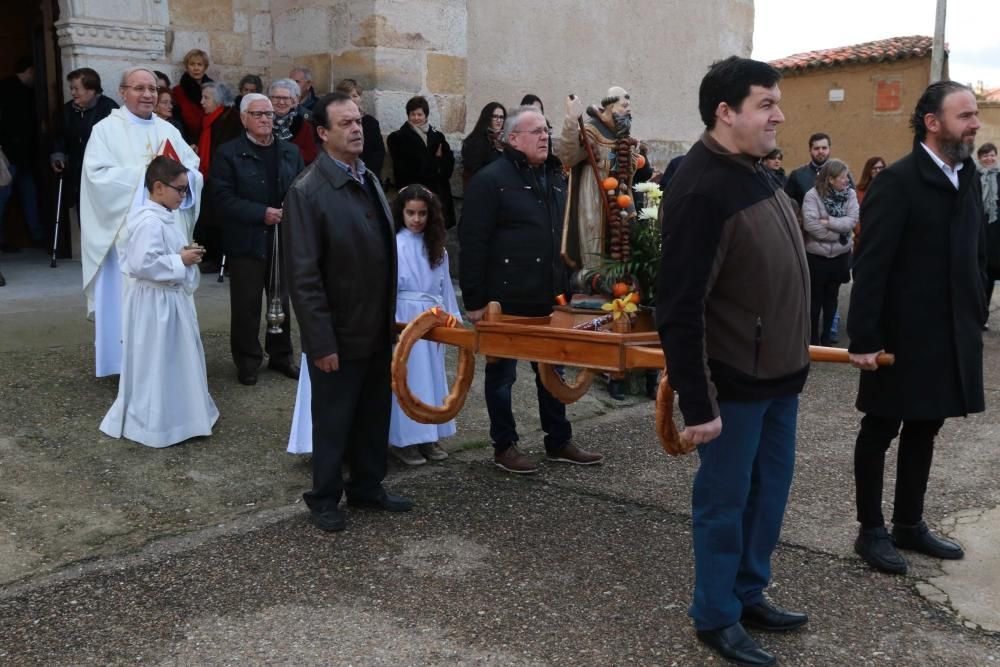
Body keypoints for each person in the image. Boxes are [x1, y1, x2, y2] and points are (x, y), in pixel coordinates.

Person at [657, 56, 810, 667]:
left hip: (780, 379)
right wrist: (700, 405)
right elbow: (679, 307)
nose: (779, 114)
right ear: (726, 112)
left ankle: (749, 593)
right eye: (766, 103)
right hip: (734, 387)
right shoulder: (700, 188)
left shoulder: (755, 172)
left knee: (768, 495)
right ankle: (716, 614)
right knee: (723, 505)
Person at [848, 81, 985, 576]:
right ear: (932, 121)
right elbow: (871, 265)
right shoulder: (899, 181)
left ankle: (909, 523)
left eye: (974, 115)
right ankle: (871, 530)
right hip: (900, 336)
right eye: (965, 115)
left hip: (949, 332)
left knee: (926, 425)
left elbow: (974, 254)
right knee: (881, 427)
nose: (975, 123)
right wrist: (864, 338)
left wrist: (974, 312)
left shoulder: (966, 176)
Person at [284, 92, 412, 533]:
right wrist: (320, 341)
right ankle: (323, 496)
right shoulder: (308, 191)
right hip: (338, 330)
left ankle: (367, 486)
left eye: (358, 121)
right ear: (322, 133)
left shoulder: (368, 177)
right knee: (334, 418)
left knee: (373, 414)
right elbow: (303, 276)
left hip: (374, 324)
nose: (357, 129)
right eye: (345, 124)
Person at [459, 105, 603, 474]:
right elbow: (473, 242)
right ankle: (504, 445)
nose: (545, 136)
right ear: (513, 139)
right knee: (502, 378)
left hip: (551, 296)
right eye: (536, 130)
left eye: (546, 129)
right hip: (506, 299)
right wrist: (474, 301)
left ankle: (558, 440)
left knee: (552, 371)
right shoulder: (491, 180)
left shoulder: (556, 178)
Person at [80, 67, 202, 377]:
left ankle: (169, 364)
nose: (147, 94)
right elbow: (97, 177)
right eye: (138, 88)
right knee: (126, 300)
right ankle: (127, 367)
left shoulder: (169, 130)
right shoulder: (105, 130)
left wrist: (183, 181)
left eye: (152, 89)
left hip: (166, 231)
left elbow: (193, 172)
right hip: (124, 233)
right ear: (122, 92)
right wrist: (148, 178)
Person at [99, 156, 218, 447]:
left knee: (176, 357)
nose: (184, 196)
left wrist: (184, 253)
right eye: (179, 189)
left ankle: (184, 414)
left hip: (170, 299)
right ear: (158, 187)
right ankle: (156, 422)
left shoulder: (165, 216)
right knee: (157, 359)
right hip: (155, 302)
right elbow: (142, 264)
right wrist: (181, 259)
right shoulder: (148, 221)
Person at [210, 93, 304, 385]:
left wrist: (293, 209)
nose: (265, 119)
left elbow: (303, 188)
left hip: (282, 237)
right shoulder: (228, 153)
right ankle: (248, 360)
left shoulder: (290, 151)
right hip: (246, 239)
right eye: (258, 114)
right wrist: (259, 212)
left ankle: (281, 355)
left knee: (281, 299)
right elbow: (221, 198)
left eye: (269, 114)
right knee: (246, 304)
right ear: (243, 118)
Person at [388, 184, 461, 466]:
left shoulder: (437, 249)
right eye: (410, 213)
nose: (416, 219)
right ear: (401, 213)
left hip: (432, 317)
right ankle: (404, 439)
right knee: (408, 378)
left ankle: (429, 434)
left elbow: (444, 288)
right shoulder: (394, 244)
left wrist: (450, 320)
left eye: (422, 214)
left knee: (430, 380)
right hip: (405, 316)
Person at [556, 86, 640, 281]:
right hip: (593, 195)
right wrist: (570, 119)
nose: (629, 110)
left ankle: (618, 278)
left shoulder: (622, 135)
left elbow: (628, 168)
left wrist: (633, 154)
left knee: (621, 241)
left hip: (619, 199)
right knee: (593, 236)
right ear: (610, 107)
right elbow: (568, 157)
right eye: (624, 105)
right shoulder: (591, 130)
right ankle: (593, 279)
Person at [50, 68, 119, 247]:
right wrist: (58, 156)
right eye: (71, 88)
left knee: (104, 214)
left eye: (76, 88)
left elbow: (117, 141)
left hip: (103, 172)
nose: (72, 92)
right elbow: (59, 137)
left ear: (91, 89)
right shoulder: (66, 110)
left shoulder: (109, 108)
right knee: (83, 212)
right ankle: (90, 251)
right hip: (77, 171)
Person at [801, 159, 857, 345]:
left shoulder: (850, 195)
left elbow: (851, 221)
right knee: (815, 299)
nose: (847, 181)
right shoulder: (812, 196)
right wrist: (839, 233)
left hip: (839, 257)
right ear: (831, 179)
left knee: (832, 297)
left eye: (847, 177)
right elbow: (811, 225)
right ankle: (813, 339)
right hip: (817, 257)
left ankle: (826, 337)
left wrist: (829, 222)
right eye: (843, 178)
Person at [387, 96, 456, 228]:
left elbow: (448, 165)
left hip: (437, 195)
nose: (416, 118)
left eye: (420, 114)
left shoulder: (437, 136)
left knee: (435, 235)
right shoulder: (397, 138)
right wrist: (436, 160)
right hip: (414, 196)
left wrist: (436, 164)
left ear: (426, 115)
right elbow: (409, 169)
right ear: (408, 115)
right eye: (413, 114)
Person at [195, 81, 242, 271]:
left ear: (219, 101)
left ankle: (219, 260)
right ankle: (211, 257)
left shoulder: (230, 119)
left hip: (222, 178)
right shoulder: (210, 120)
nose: (201, 102)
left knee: (219, 220)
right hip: (209, 177)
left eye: (206, 98)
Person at [0, 56, 43, 252]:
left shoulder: (17, 89)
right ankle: (36, 237)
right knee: (5, 198)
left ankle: (37, 236)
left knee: (27, 195)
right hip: (9, 157)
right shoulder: (11, 90)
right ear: (31, 70)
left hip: (19, 157)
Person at [334, 78, 385, 181]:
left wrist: (368, 173)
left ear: (360, 98)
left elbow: (378, 151)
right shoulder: (334, 122)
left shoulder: (371, 123)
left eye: (355, 96)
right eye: (347, 96)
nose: (351, 99)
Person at [268, 79, 317, 165]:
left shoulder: (304, 125)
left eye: (286, 98)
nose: (281, 102)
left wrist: (285, 150)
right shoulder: (261, 121)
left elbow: (311, 156)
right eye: (276, 97)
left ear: (294, 101)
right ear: (269, 99)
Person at [977, 143, 1000, 318]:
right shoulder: (974, 178)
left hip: (997, 232)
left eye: (992, 155)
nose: (989, 158)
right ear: (980, 158)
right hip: (980, 232)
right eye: (985, 156)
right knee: (984, 276)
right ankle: (982, 315)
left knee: (993, 270)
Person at [171, 49, 213, 144]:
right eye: (192, 64)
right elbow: (177, 120)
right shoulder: (178, 91)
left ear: (205, 67)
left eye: (199, 64)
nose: (196, 68)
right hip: (186, 140)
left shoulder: (214, 90)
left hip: (209, 139)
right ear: (187, 67)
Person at [461, 102, 506, 185]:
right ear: (487, 117)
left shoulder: (505, 141)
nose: (499, 120)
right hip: (484, 189)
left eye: (501, 117)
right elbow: (475, 170)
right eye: (495, 116)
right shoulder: (475, 141)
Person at [783, 132, 831, 207]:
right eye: (816, 148)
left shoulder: (842, 174)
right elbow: (786, 204)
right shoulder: (797, 175)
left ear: (829, 149)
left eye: (824, 148)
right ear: (810, 150)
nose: (820, 151)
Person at [852, 156, 885, 255]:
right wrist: (861, 233)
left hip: (884, 240)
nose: (878, 170)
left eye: (881, 168)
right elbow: (854, 216)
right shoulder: (858, 191)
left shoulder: (890, 189)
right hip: (863, 240)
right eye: (874, 168)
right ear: (868, 170)